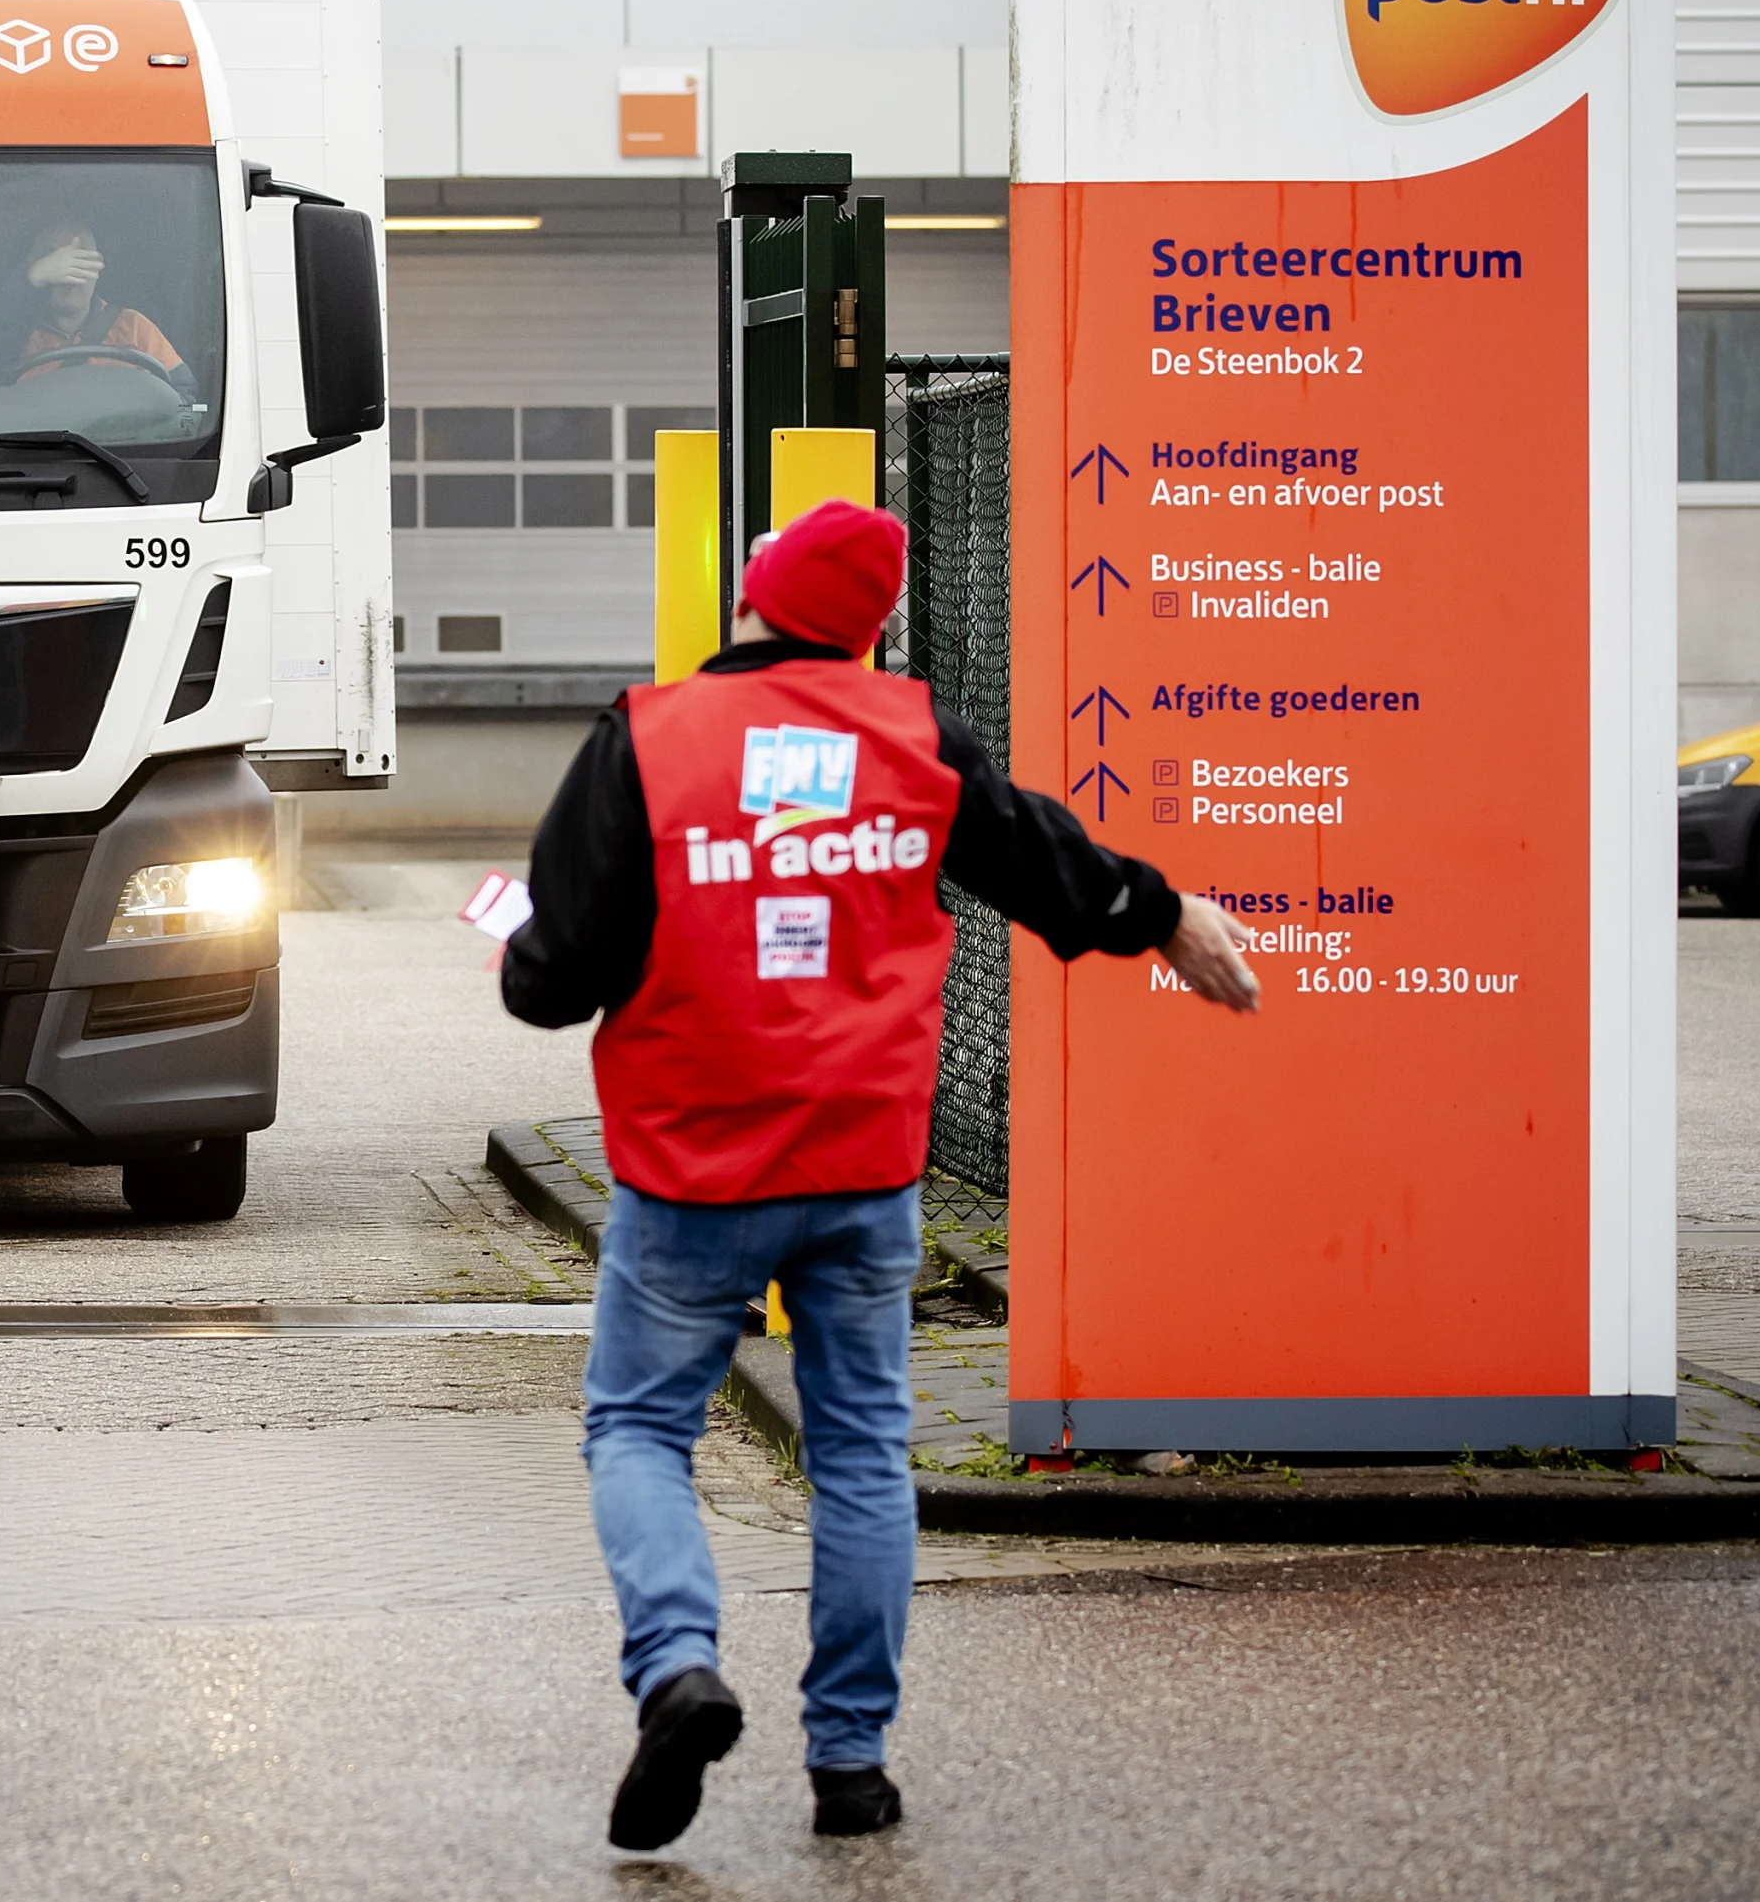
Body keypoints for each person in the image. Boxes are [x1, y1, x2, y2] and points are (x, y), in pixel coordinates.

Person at [499, 495, 1260, 1852]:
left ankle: (677, 1668)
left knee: (640, 1427)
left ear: (755, 598)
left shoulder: (648, 738)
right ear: (865, 629)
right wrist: (1167, 914)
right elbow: (1045, 861)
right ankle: (849, 1764)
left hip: (691, 1170)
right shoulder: (912, 739)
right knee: (858, 1454)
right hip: (860, 1166)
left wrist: (523, 947)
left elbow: (553, 980)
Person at [0, 219, 184, 387]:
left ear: (99, 265)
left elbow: (185, 397)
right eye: (56, 261)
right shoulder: (14, 331)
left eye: (81, 260)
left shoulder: (134, 327)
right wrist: (31, 278)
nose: (68, 275)